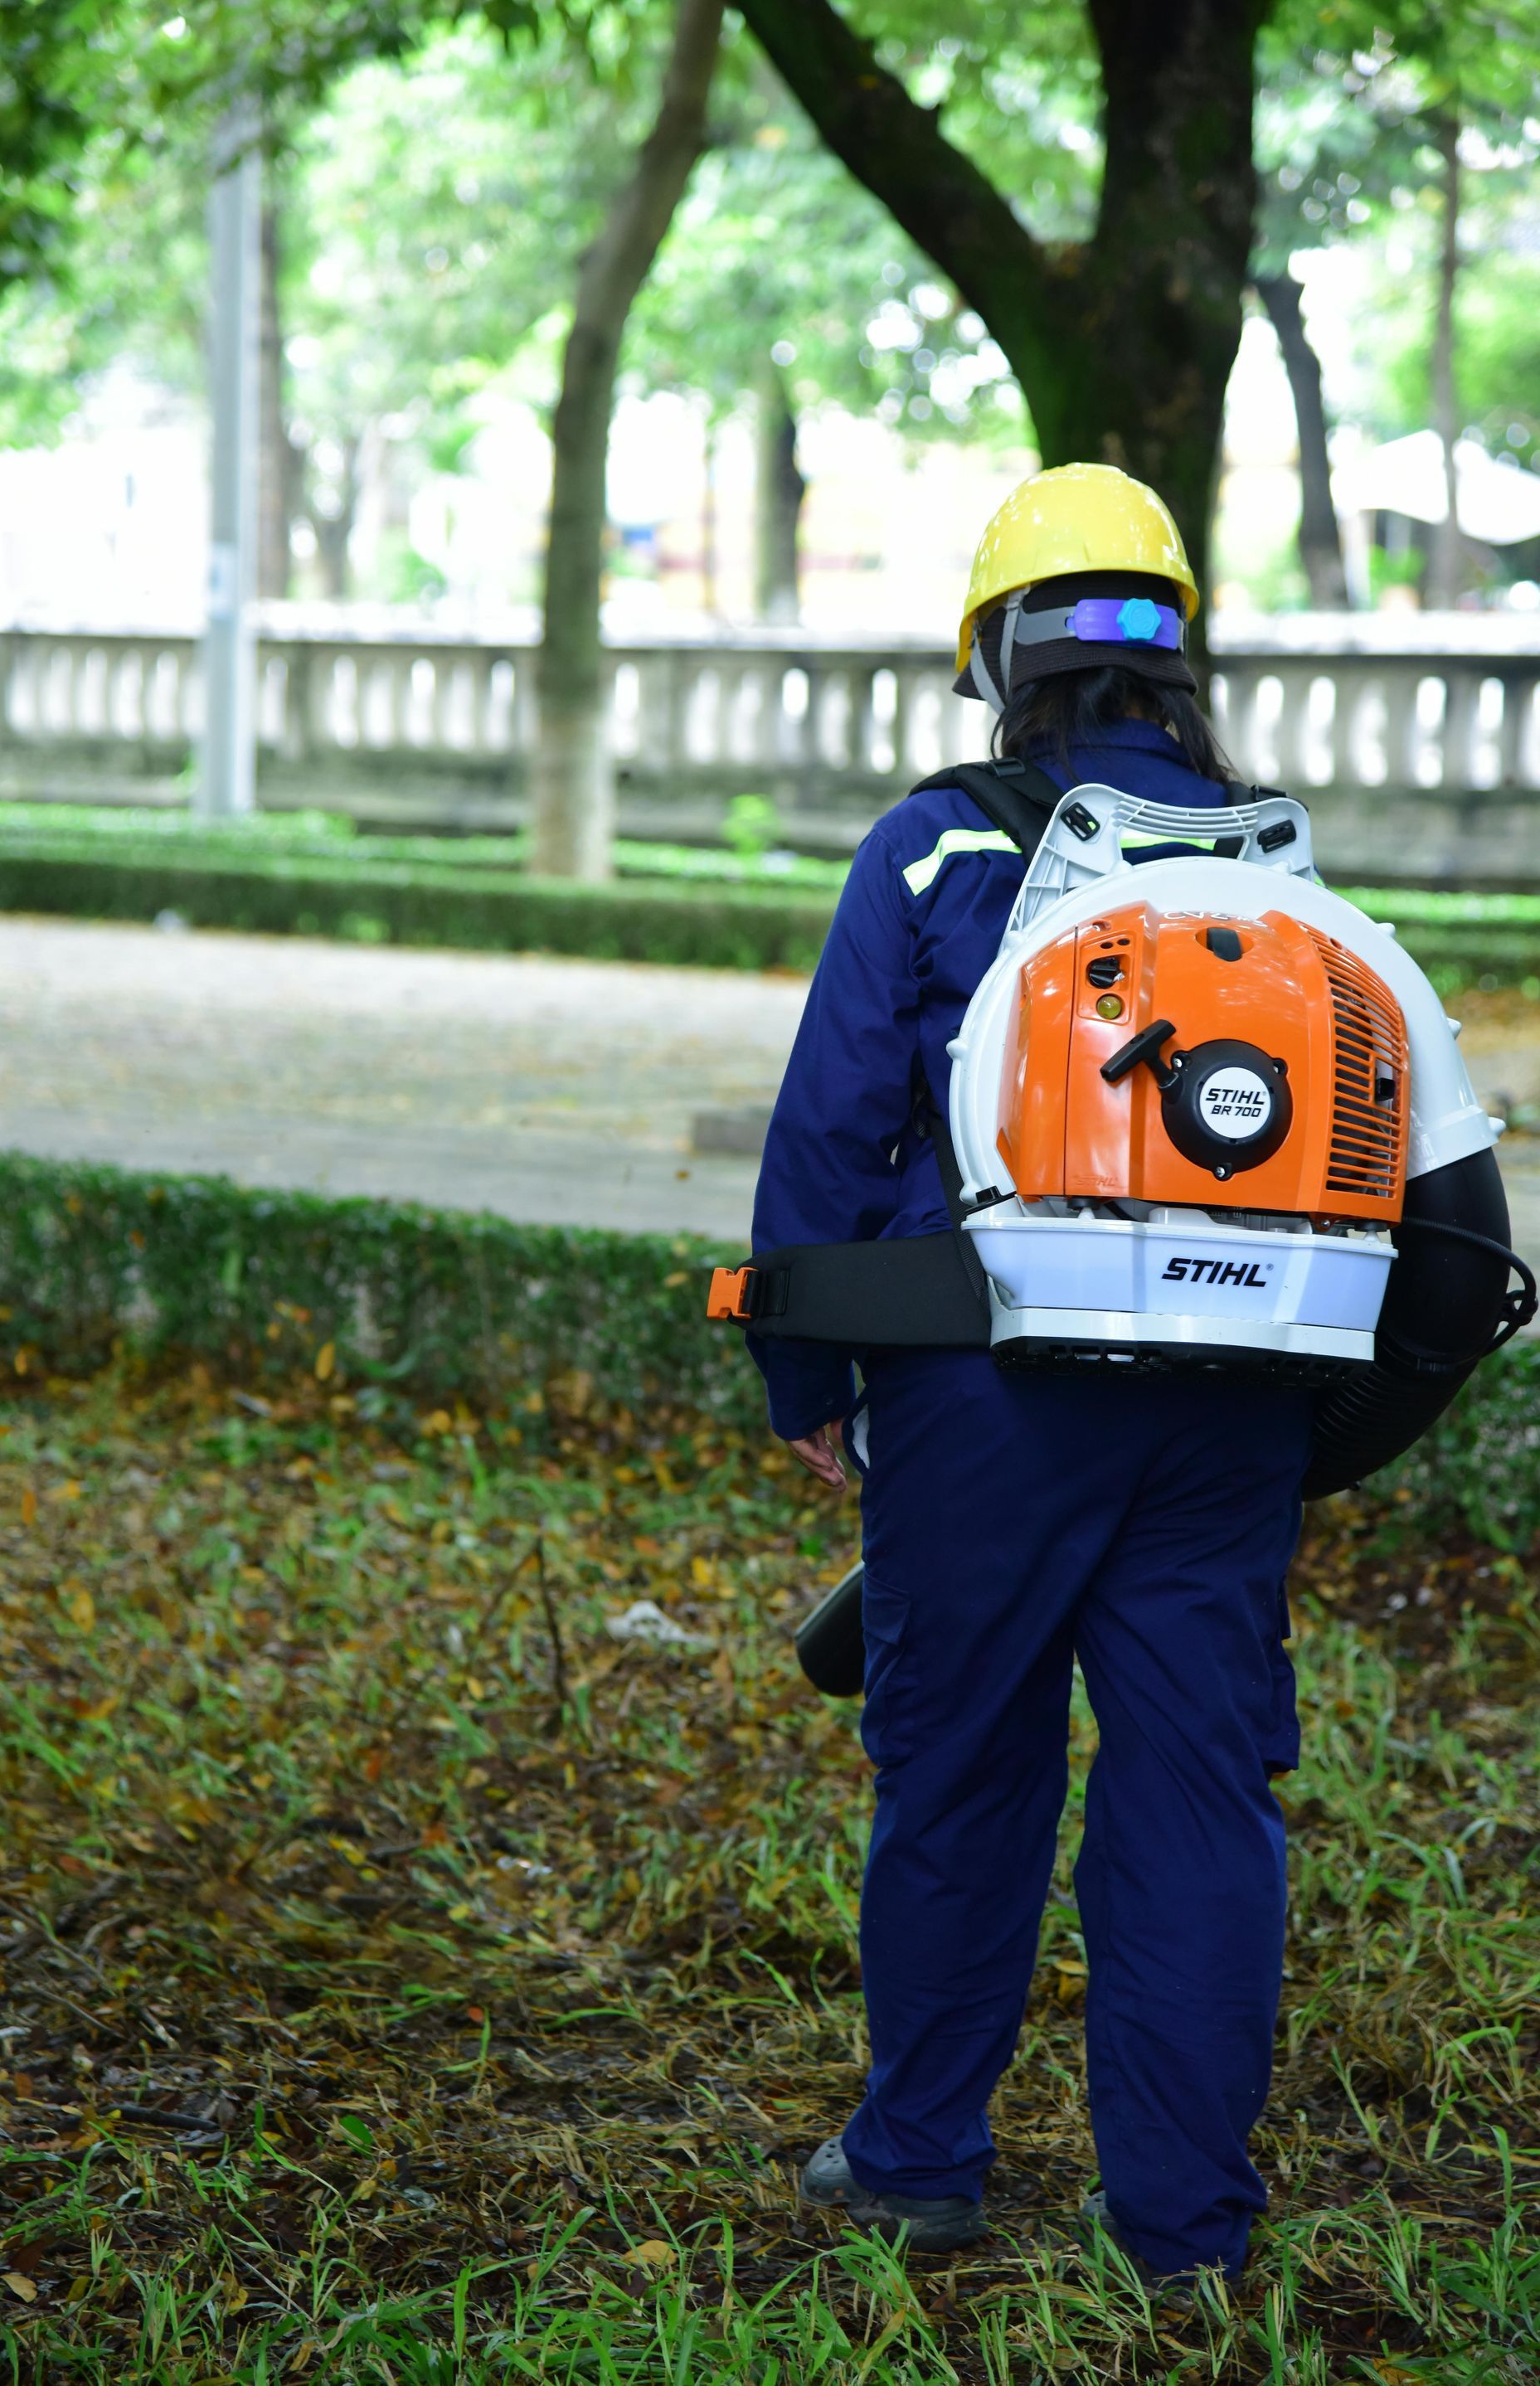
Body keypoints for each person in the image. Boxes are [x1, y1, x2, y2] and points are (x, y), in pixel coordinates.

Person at [749, 464, 1312, 2286]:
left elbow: (833, 1121)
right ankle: (1185, 2233)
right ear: (1176, 656)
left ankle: (919, 2157)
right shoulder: (1272, 861)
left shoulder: (930, 845)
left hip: (986, 1388)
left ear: (997, 654)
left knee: (964, 1768)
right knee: (1198, 1793)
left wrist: (807, 1372)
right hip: (1233, 1383)